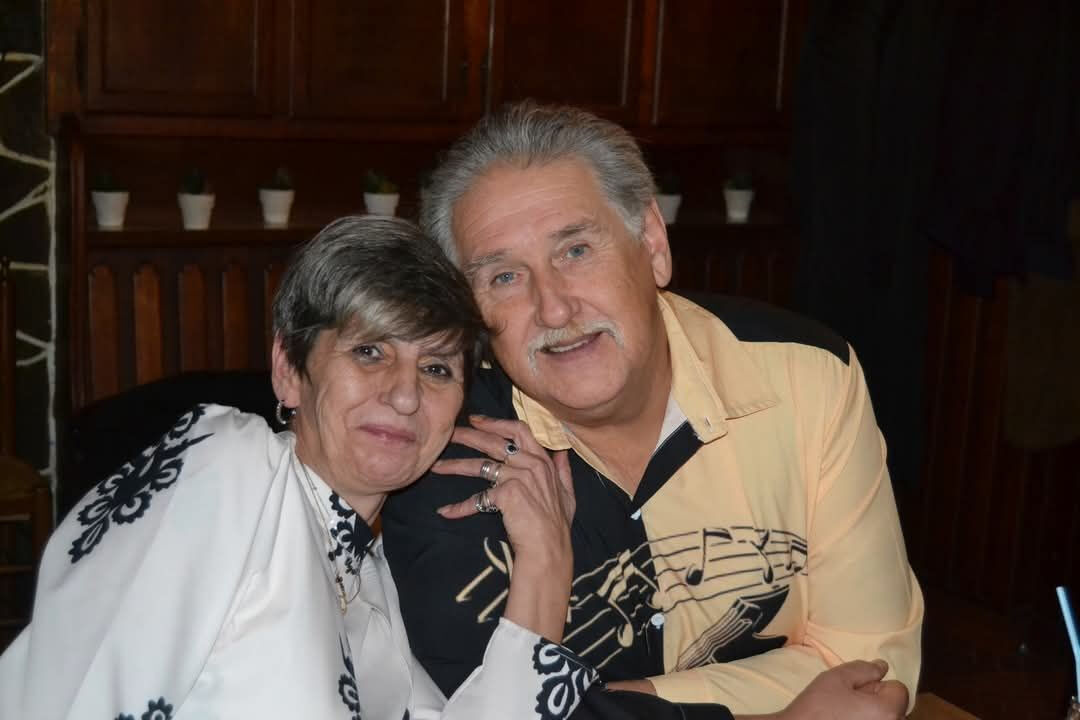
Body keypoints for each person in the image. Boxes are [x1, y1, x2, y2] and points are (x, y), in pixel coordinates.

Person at [382, 102, 924, 717]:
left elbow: (870, 672)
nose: (554, 308)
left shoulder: (808, 375)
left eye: (576, 250)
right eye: (504, 277)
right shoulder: (444, 448)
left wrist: (607, 703)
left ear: (652, 244)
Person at [0, 216, 596, 719]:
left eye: (437, 368)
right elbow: (70, 696)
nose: (405, 395)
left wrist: (545, 561)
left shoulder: (369, 581)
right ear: (289, 369)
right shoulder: (232, 468)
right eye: (369, 351)